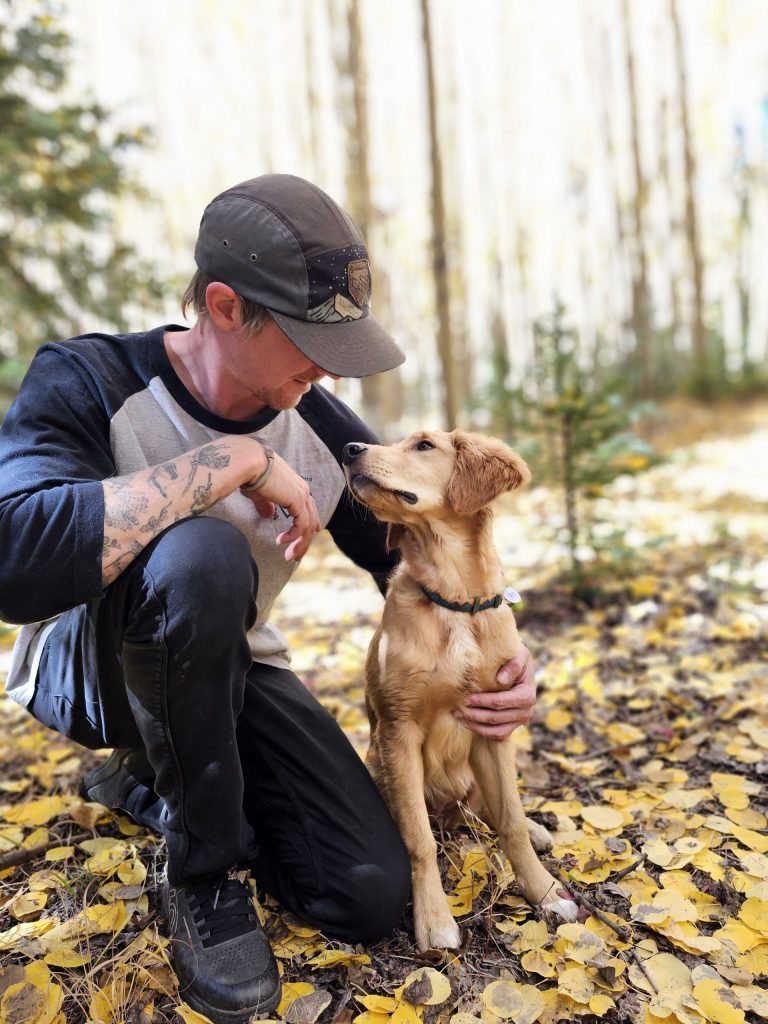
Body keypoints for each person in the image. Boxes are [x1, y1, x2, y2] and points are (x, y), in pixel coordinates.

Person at [0, 174, 538, 1024]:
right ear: (222, 305)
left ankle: (153, 789)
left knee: (362, 891)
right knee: (206, 553)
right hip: (93, 672)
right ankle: (201, 874)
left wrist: (502, 656)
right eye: (306, 339)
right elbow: (13, 553)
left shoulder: (321, 425)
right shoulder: (87, 378)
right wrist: (230, 463)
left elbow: (427, 562)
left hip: (228, 665)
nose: (326, 367)